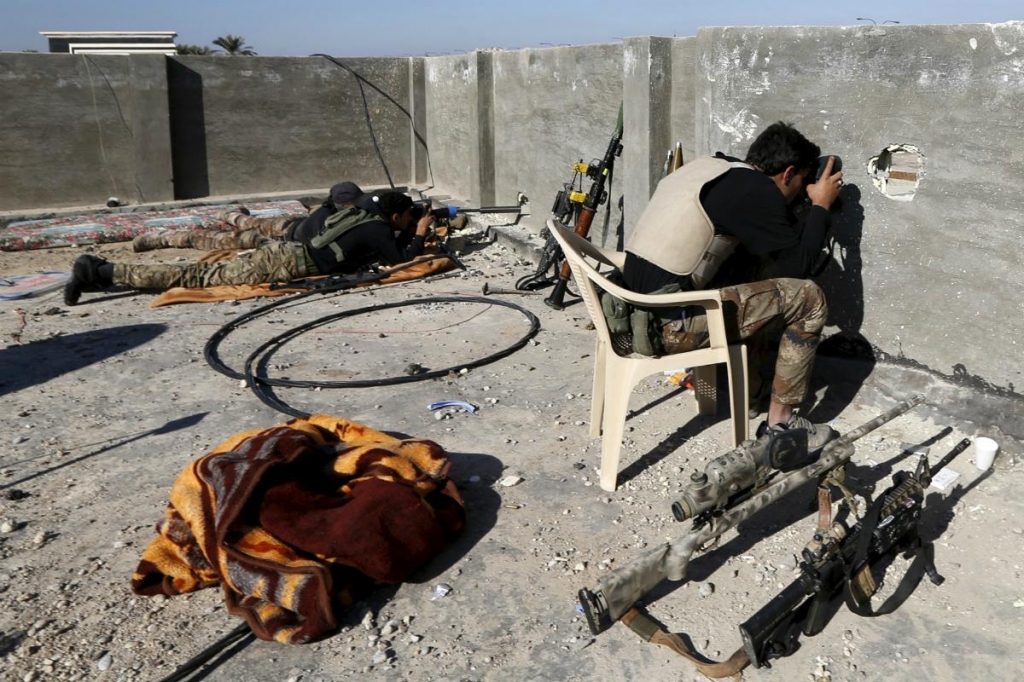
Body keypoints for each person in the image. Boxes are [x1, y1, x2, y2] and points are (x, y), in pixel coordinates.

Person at [622, 121, 843, 449]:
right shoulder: (759, 192)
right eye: (801, 182)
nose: (801, 191)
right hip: (668, 329)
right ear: (788, 173)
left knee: (753, 278)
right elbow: (800, 268)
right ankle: (780, 425)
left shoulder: (712, 168)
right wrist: (821, 207)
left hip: (627, 313)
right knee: (809, 298)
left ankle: (753, 393)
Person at [63, 190, 435, 305]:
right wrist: (420, 233)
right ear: (399, 215)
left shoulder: (365, 220)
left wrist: (412, 230)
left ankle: (100, 276)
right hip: (285, 264)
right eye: (408, 217)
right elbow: (402, 259)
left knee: (200, 273)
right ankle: (99, 270)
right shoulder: (377, 229)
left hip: (286, 254)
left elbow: (387, 246)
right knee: (197, 276)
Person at [130, 181, 369, 252]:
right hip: (283, 234)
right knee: (213, 238)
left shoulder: (348, 211)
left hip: (282, 234)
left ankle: (230, 215)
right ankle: (165, 237)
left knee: (241, 227)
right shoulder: (327, 211)